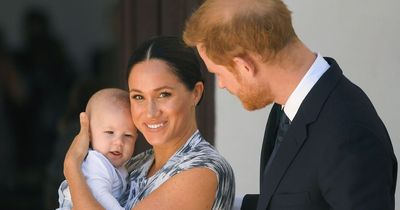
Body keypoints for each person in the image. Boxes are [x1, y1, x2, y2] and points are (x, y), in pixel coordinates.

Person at [183, 0, 397, 209]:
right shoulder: (290, 104)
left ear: (244, 66)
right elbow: (300, 200)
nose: (221, 85)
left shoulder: (349, 134)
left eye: (218, 73)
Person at [63, 36, 235, 210]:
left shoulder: (201, 170)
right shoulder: (135, 164)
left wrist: (72, 167)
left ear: (196, 93)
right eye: (138, 97)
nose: (150, 112)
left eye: (163, 94)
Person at [58, 88, 137, 210]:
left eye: (128, 135)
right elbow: (100, 195)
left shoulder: (117, 165)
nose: (119, 142)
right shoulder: (96, 162)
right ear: (89, 133)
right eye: (110, 132)